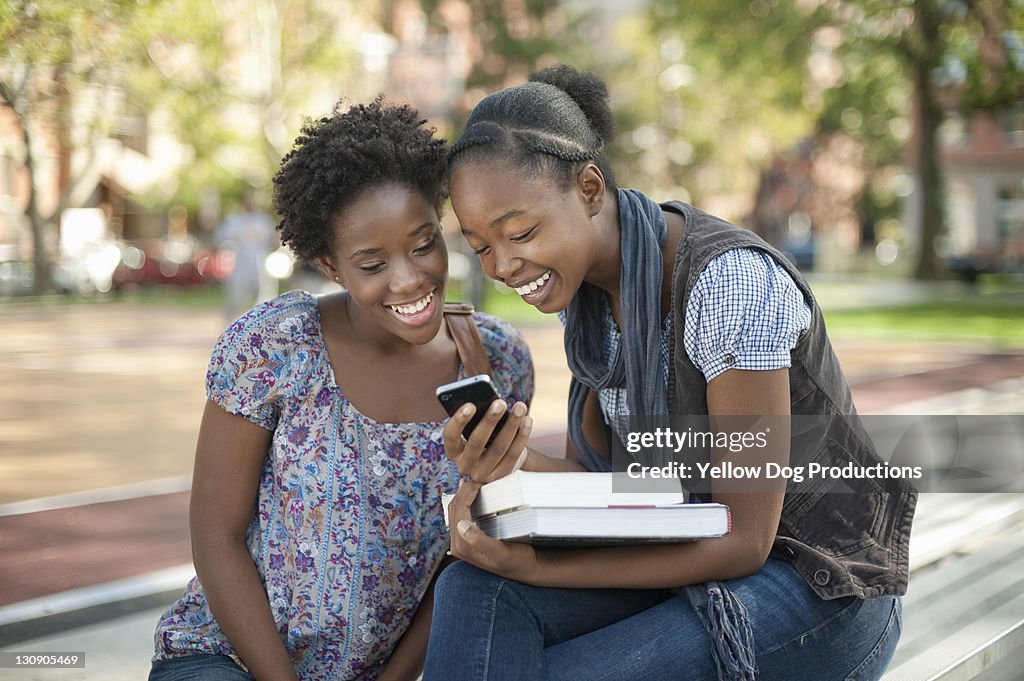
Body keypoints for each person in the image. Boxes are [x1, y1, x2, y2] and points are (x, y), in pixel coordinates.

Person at [425, 65, 916, 681]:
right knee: (476, 590)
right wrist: (508, 462)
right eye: (481, 247)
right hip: (682, 545)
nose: (502, 264)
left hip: (816, 584)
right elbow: (616, 480)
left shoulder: (728, 284)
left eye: (520, 232)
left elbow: (743, 540)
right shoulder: (590, 300)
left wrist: (536, 568)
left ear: (589, 189)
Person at [148, 97, 534, 681]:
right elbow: (216, 538)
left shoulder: (496, 360)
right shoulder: (273, 346)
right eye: (372, 263)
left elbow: (468, 556)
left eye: (424, 243)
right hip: (226, 658)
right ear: (331, 265)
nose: (409, 279)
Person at [216, 191, 279, 322]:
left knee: (264, 296)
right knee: (236, 296)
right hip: (240, 263)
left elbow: (274, 240)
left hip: (261, 263)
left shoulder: (263, 220)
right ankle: (229, 325)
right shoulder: (234, 220)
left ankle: (262, 326)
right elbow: (221, 240)